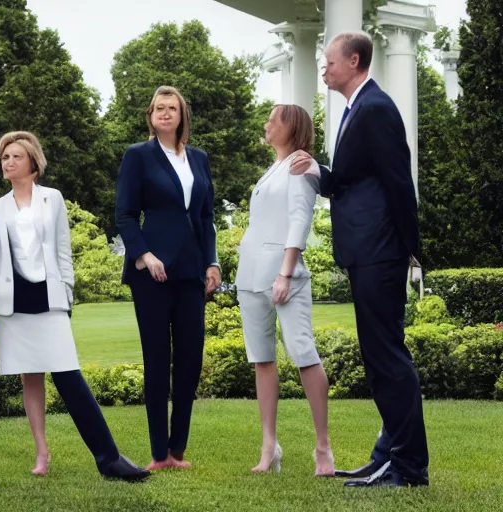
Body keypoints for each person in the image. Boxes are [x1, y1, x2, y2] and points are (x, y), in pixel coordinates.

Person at [290, 32, 429, 488]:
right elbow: (351, 180)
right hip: (367, 252)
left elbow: (398, 183)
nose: (324, 69)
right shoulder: (356, 109)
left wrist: (412, 251)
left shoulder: (375, 109)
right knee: (381, 357)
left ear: (354, 60)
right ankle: (385, 457)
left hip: (381, 252)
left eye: (328, 61)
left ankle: (408, 469)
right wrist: (315, 169)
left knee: (387, 358)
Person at [0, 131, 150, 483]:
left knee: (68, 376)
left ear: (32, 162)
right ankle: (41, 451)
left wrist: (67, 295)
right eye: (4, 157)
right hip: (13, 302)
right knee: (30, 376)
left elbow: (62, 251)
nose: (8, 162)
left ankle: (109, 457)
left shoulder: (52, 199)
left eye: (15, 156)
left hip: (49, 297)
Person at [115, 86, 221, 470]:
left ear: (181, 116)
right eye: (158, 108)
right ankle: (159, 454)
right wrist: (143, 254)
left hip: (192, 271)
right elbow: (124, 214)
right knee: (157, 360)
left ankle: (179, 451)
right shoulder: (137, 157)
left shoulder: (199, 159)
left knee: (190, 360)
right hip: (152, 274)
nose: (164, 113)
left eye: (171, 108)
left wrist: (213, 262)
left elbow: (206, 217)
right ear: (150, 116)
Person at [235, 104, 334, 477]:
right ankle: (269, 447)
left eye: (272, 119)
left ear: (290, 126)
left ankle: (323, 447)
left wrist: (285, 273)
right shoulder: (273, 169)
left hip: (283, 276)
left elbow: (299, 219)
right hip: (251, 278)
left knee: (303, 352)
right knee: (262, 359)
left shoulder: (300, 166)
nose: (266, 124)